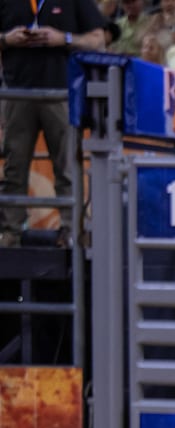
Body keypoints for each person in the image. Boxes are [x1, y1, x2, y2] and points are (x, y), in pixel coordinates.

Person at [0, 0, 106, 248]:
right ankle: (10, 233)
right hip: (17, 94)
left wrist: (64, 38)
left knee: (67, 166)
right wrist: (7, 39)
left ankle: (73, 232)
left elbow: (98, 39)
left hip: (61, 94)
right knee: (14, 168)